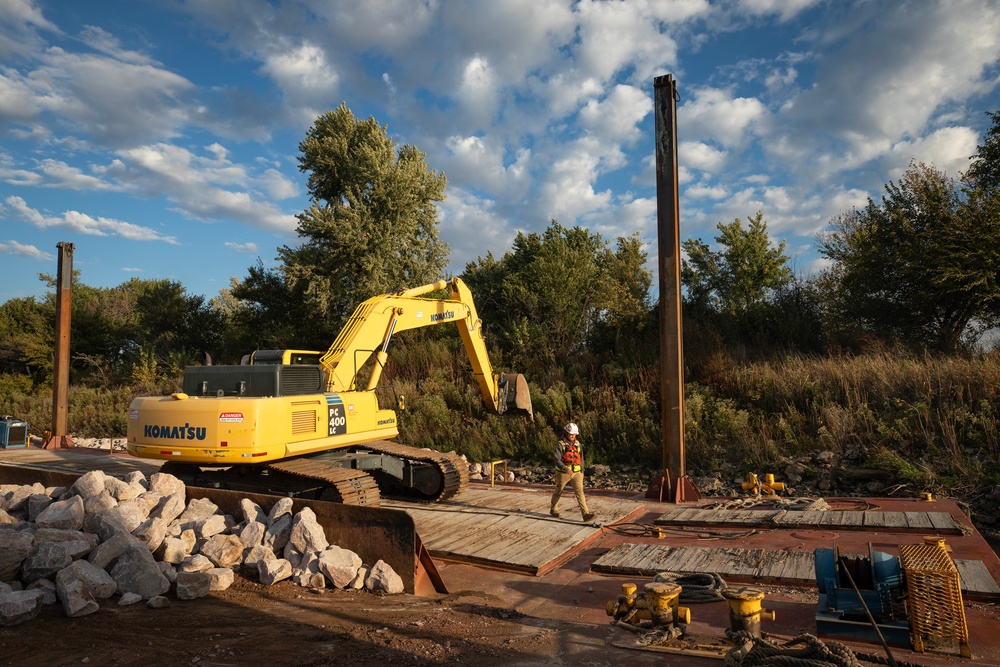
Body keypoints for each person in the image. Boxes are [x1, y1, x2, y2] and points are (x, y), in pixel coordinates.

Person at [550, 422, 596, 522]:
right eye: (571, 434)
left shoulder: (578, 444)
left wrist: (582, 470)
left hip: (577, 473)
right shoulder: (560, 444)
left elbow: (581, 458)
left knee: (580, 492)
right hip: (563, 473)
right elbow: (556, 459)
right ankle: (553, 509)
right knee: (559, 491)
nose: (573, 436)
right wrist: (565, 469)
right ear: (566, 433)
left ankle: (586, 514)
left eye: (575, 434)